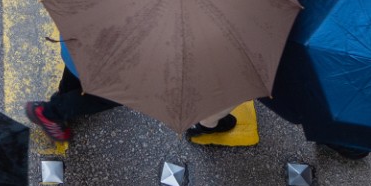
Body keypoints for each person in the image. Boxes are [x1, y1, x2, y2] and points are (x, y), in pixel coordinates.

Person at [23, 43, 241, 143]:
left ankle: (65, 93)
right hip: (109, 70)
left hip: (76, 45)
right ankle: (51, 113)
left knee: (76, 71)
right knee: (103, 96)